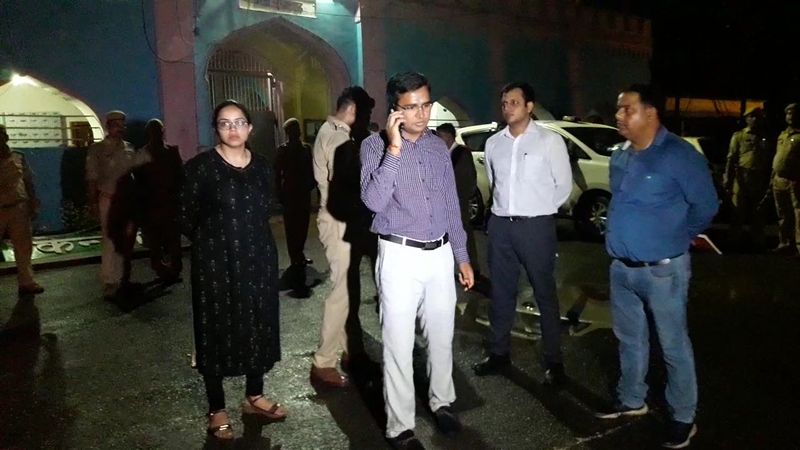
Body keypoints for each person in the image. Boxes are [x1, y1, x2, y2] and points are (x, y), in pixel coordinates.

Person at [595, 84, 718, 450]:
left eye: (627, 109)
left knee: (673, 345)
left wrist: (677, 236)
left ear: (651, 113)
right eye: (618, 109)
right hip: (622, 268)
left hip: (663, 270)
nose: (618, 115)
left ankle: (683, 416)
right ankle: (632, 399)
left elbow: (706, 207)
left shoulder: (680, 156)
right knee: (629, 339)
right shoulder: (620, 156)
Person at [361, 71, 474, 449]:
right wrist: (394, 150)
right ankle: (400, 427)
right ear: (395, 110)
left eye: (426, 105)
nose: (422, 114)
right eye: (411, 107)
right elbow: (372, 201)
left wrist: (461, 256)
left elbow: (451, 205)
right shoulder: (373, 147)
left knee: (441, 336)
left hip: (439, 254)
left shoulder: (437, 148)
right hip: (399, 255)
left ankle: (442, 402)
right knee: (397, 342)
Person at [180, 100, 286, 440]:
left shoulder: (263, 167)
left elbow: (268, 206)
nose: (233, 129)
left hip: (259, 260)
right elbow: (183, 214)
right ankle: (217, 408)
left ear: (250, 128)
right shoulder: (200, 168)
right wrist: (212, 240)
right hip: (215, 264)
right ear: (216, 129)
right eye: (225, 123)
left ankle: (254, 395)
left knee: (258, 323)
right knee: (215, 329)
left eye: (239, 122)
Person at [472, 82, 572, 387]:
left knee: (544, 293)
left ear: (530, 106)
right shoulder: (494, 144)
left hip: (536, 227)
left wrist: (539, 210)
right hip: (501, 226)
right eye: (504, 103)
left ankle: (553, 361)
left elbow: (563, 186)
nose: (507, 107)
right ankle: (498, 353)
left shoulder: (550, 141)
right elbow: (494, 183)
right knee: (501, 293)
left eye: (514, 102)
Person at [310, 86, 372, 388]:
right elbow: (345, 186)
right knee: (342, 291)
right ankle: (324, 361)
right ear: (353, 110)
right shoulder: (338, 138)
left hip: (335, 219)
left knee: (347, 286)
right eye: (365, 112)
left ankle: (350, 350)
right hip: (338, 221)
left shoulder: (328, 131)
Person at [85, 111, 150, 298]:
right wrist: (92, 203)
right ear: (108, 126)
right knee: (110, 240)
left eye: (122, 124)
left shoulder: (129, 148)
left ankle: (122, 279)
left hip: (127, 201)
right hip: (108, 198)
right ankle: (109, 280)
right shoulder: (97, 149)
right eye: (116, 124)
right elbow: (91, 178)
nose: (120, 128)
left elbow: (139, 170)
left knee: (126, 241)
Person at [435, 123, 488, 290]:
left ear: (449, 137)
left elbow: (465, 181)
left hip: (458, 202)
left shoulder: (461, 154)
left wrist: (456, 199)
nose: (438, 141)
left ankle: (472, 268)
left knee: (463, 234)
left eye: (441, 137)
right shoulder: (444, 153)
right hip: (447, 202)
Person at [137, 119, 183, 281]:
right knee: (155, 242)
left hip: (170, 203)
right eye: (154, 131)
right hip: (152, 204)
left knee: (173, 240)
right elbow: (139, 180)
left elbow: (180, 176)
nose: (158, 134)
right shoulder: (143, 154)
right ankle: (161, 270)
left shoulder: (172, 151)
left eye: (159, 130)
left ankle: (174, 270)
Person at [0, 125, 44, 296]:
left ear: (6, 138)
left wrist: (33, 202)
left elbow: (28, 181)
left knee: (24, 247)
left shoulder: (18, 156)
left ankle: (27, 282)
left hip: (18, 206)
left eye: (2, 135)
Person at [275, 117, 315, 297]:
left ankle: (299, 255)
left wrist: (312, 184)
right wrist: (278, 193)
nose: (296, 132)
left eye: (297, 128)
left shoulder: (306, 148)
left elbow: (311, 169)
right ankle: (295, 258)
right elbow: (277, 173)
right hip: (291, 193)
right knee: (292, 227)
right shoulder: (283, 150)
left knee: (302, 225)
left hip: (302, 193)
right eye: (293, 129)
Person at [723, 106, 771, 251]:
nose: (755, 119)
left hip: (759, 177)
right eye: (752, 116)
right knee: (738, 210)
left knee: (758, 211)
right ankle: (734, 240)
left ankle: (758, 241)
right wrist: (728, 178)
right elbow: (731, 158)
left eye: (757, 117)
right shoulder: (739, 136)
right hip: (741, 176)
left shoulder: (765, 137)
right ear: (746, 119)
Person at [770, 102, 800, 256]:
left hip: (795, 180)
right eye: (788, 113)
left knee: (798, 214)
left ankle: (799, 245)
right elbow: (778, 156)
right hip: (779, 179)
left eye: (793, 113)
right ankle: (785, 242)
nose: (790, 116)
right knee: (783, 214)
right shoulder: (782, 135)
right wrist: (772, 177)